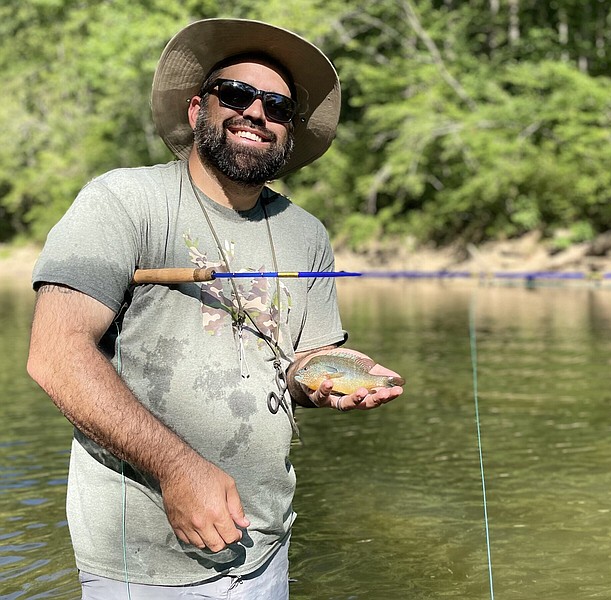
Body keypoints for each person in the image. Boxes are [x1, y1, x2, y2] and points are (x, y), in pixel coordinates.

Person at [26, 18, 403, 599]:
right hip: (141, 561)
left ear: (290, 132)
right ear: (199, 107)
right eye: (236, 94)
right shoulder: (124, 201)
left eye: (277, 105)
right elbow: (55, 356)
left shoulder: (307, 234)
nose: (256, 112)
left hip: (265, 545)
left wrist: (328, 378)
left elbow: (302, 362)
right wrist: (178, 469)